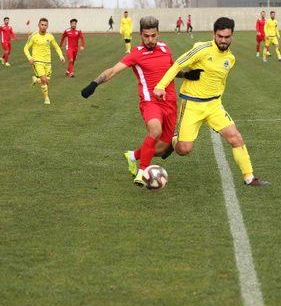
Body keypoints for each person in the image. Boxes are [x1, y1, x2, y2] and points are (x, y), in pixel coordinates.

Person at [81, 16, 201, 187]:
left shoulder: (165, 49)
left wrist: (187, 74)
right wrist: (94, 84)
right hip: (150, 102)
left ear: (158, 33)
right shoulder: (136, 53)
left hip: (170, 104)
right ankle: (142, 171)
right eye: (146, 36)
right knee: (155, 130)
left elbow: (172, 70)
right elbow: (113, 70)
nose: (150, 40)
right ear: (140, 35)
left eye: (153, 35)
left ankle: (132, 156)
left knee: (160, 149)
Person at [153, 17, 269, 186]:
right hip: (192, 104)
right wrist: (161, 86)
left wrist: (217, 101)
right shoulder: (201, 49)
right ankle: (174, 140)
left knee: (236, 138)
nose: (223, 40)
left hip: (214, 106)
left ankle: (249, 177)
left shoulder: (230, 59)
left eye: (226, 37)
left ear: (232, 36)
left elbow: (219, 82)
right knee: (184, 149)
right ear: (213, 34)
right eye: (220, 36)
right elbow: (177, 64)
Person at [23, 18, 65, 105]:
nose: (43, 27)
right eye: (42, 25)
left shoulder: (50, 36)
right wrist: (29, 58)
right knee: (44, 80)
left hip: (48, 62)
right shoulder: (33, 36)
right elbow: (26, 48)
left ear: (47, 26)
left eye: (45, 25)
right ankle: (46, 98)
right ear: (38, 25)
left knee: (46, 81)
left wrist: (61, 56)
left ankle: (35, 80)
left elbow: (56, 47)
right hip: (37, 61)